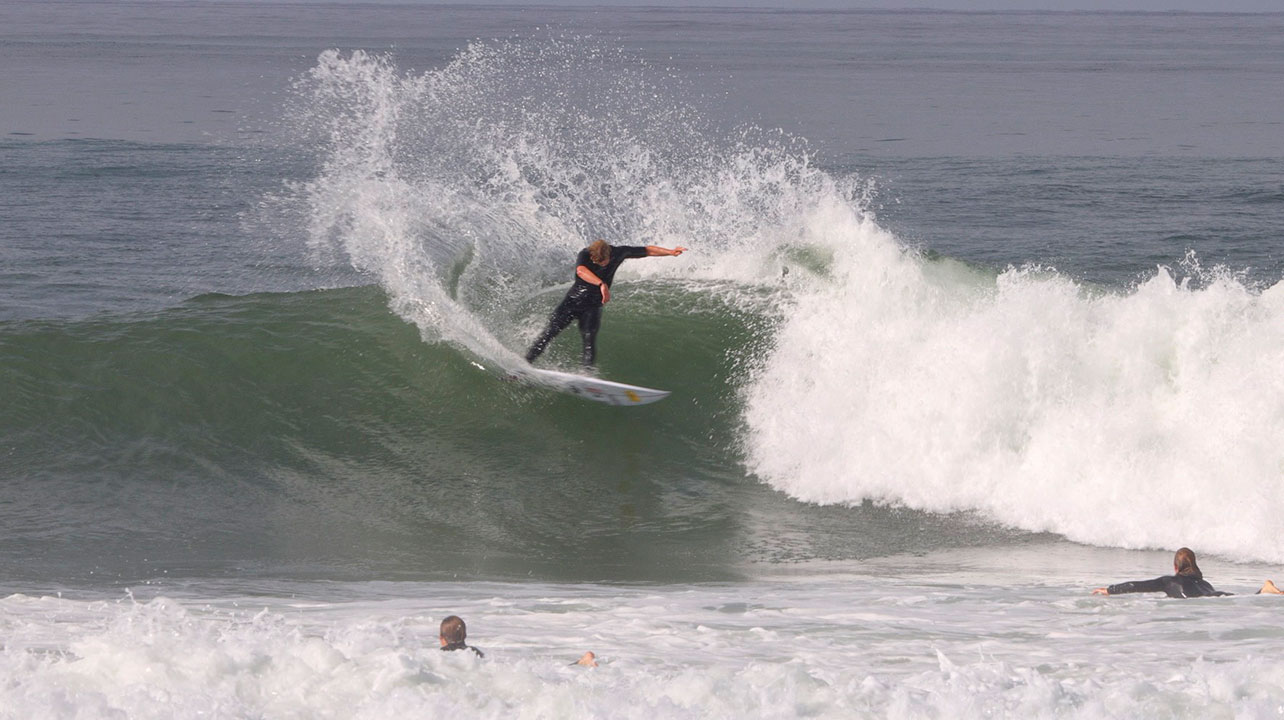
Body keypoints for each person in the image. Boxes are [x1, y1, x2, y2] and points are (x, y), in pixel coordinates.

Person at [526, 239, 687, 368]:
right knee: (548, 334)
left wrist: (671, 252)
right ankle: (524, 366)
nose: (601, 264)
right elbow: (581, 271)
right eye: (598, 262)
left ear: (609, 253)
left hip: (593, 306)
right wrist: (601, 284)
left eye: (603, 262)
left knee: (589, 340)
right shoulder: (586, 254)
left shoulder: (619, 252)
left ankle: (586, 376)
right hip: (572, 302)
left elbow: (647, 250)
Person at [1091, 547, 1231, 598]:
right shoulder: (1205, 584)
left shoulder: (1169, 582)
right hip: (1218, 595)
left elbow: (1137, 586)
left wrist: (1110, 590)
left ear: (1176, 567)